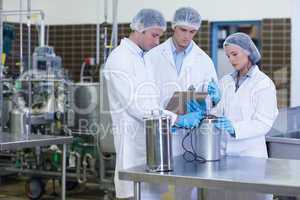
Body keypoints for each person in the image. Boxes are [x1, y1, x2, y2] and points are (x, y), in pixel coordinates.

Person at [104, 8, 204, 200]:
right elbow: (137, 106)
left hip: (151, 145)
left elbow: (151, 100)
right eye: (154, 35)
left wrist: (175, 111)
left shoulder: (141, 58)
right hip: (134, 145)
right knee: (136, 194)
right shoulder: (120, 59)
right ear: (139, 29)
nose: (157, 41)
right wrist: (177, 119)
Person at [190, 32, 279, 200]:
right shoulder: (225, 81)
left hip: (251, 158)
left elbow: (264, 122)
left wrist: (235, 128)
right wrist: (212, 103)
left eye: (235, 54)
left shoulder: (263, 84)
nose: (231, 59)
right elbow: (218, 115)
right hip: (225, 156)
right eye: (228, 55)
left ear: (248, 52)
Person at [144, 7, 219, 200]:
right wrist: (172, 116)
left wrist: (213, 98)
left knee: (187, 190)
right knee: (151, 189)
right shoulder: (152, 56)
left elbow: (213, 102)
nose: (187, 36)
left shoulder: (204, 60)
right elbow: (144, 96)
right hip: (158, 131)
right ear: (173, 27)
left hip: (189, 137)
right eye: (183, 30)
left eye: (192, 32)